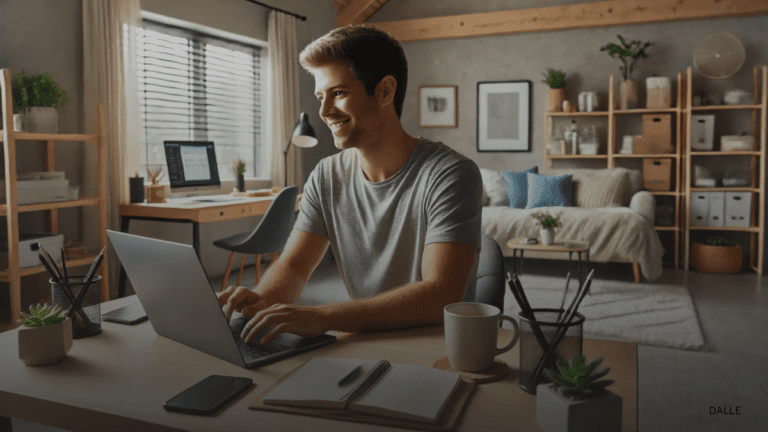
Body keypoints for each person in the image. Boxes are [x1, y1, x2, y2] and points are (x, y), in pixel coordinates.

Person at [217, 24, 483, 345]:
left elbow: (441, 293)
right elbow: (294, 266)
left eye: (339, 93)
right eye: (320, 96)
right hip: (365, 339)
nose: (324, 111)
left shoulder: (450, 174)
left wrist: (323, 316)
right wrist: (260, 300)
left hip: (433, 344)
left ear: (385, 91)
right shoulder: (326, 175)